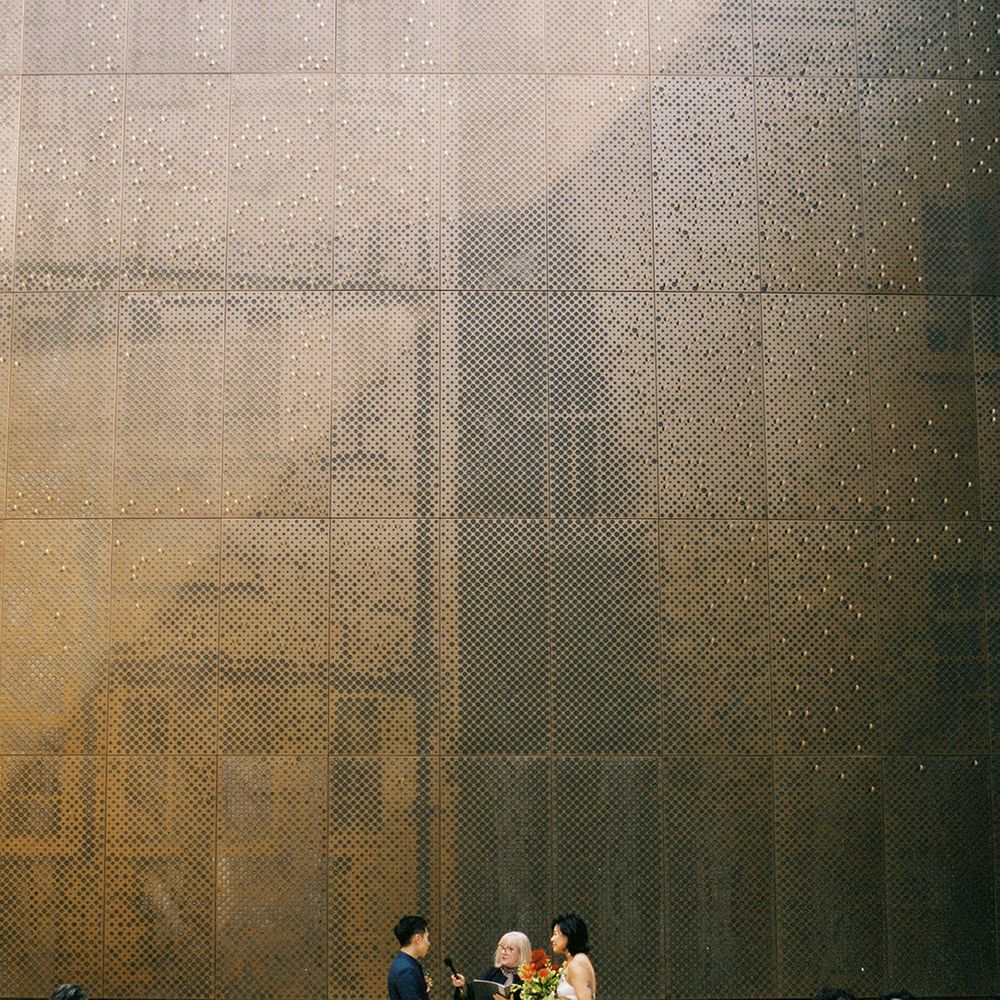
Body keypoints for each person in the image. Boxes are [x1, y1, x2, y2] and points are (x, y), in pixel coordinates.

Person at [450, 930, 532, 1000]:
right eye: (503, 948)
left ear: (521, 953)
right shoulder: (492, 973)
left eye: (510, 949)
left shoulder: (531, 979)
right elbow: (474, 996)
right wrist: (463, 986)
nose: (503, 952)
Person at [550, 914, 595, 1000]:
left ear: (569, 934)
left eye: (555, 934)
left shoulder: (578, 964)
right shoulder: (573, 961)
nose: (552, 939)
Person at [388, 914, 431, 1000]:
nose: (429, 943)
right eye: (427, 938)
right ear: (418, 939)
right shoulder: (407, 970)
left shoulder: (404, 963)